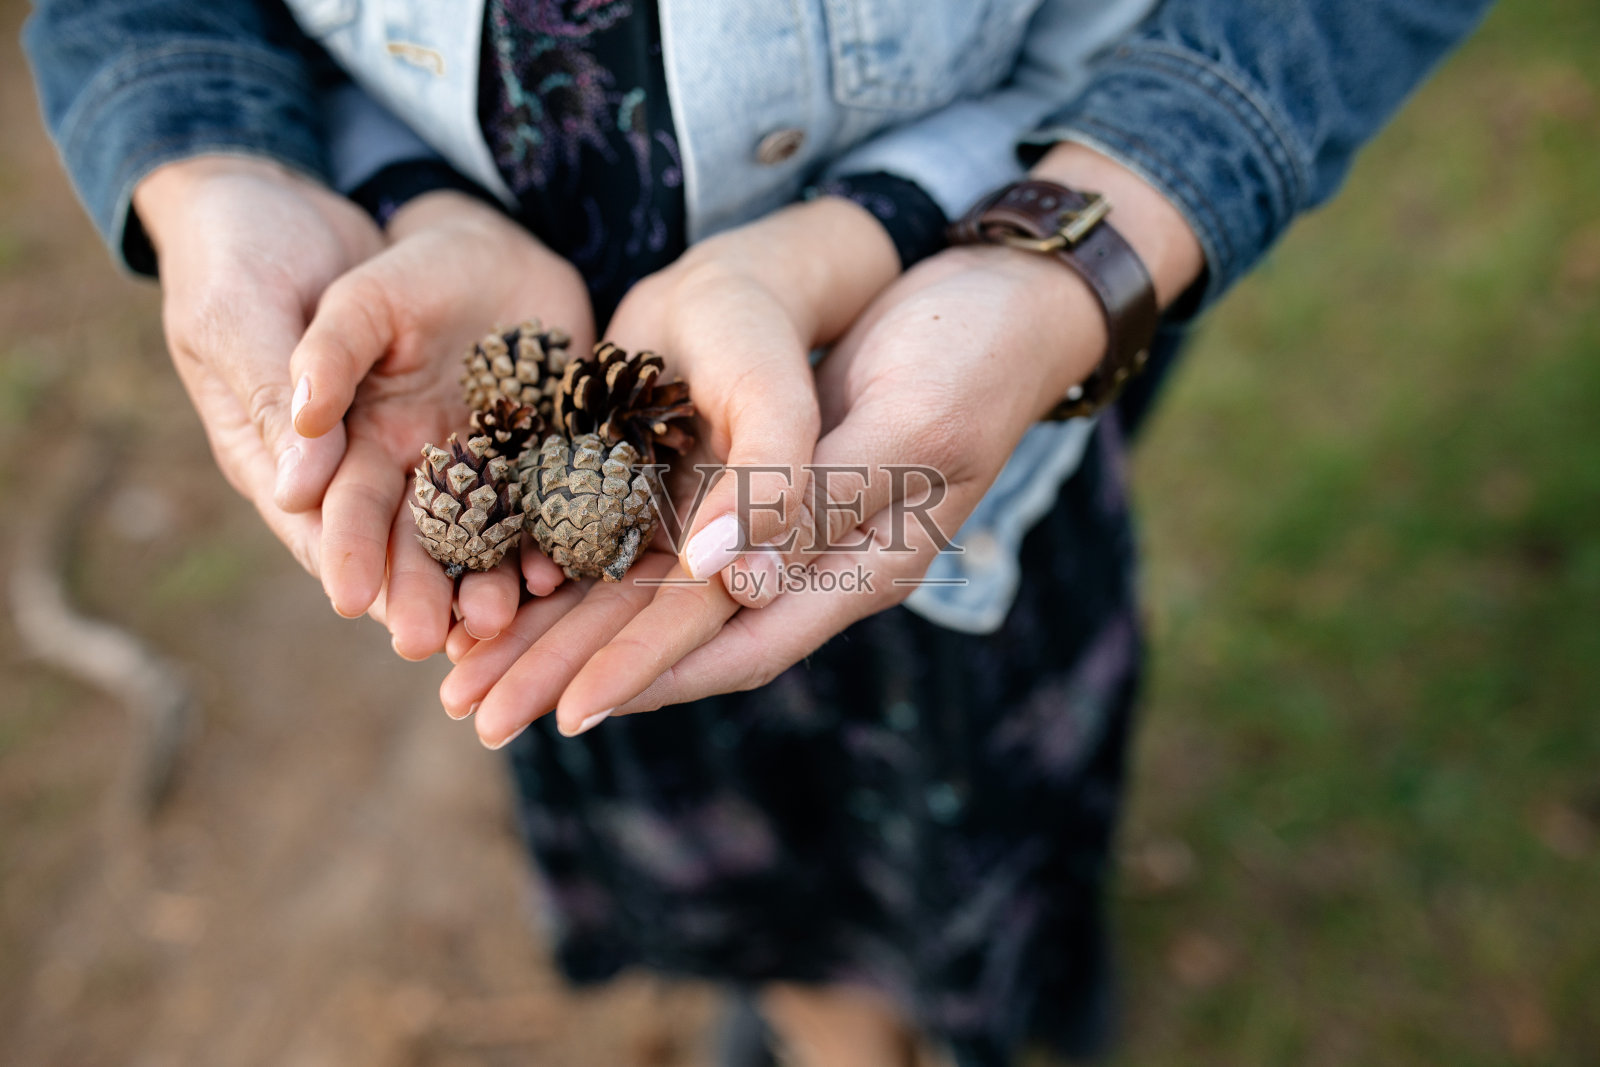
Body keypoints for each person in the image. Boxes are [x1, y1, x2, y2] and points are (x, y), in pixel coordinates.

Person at [24, 1, 1493, 1062]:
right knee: (677, 779)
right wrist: (218, 169)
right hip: (539, 416)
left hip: (957, 418)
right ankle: (809, 1014)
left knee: (968, 801)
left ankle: (972, 998)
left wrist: (1064, 263)